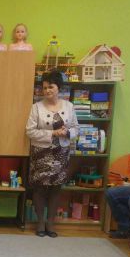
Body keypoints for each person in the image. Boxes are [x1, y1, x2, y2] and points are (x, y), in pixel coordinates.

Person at [25, 69, 78, 237]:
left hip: (61, 152)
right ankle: (40, 222)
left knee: (56, 188)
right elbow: (30, 131)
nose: (47, 90)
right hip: (41, 152)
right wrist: (52, 133)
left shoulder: (69, 106)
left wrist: (67, 133)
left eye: (51, 87)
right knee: (40, 188)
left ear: (59, 88)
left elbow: (76, 129)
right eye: (44, 87)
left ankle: (51, 223)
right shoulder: (36, 107)